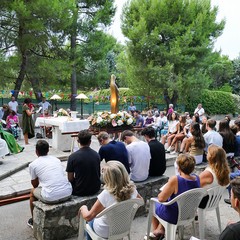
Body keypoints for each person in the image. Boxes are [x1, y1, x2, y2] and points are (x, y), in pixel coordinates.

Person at [79, 161, 142, 240]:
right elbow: (140, 201)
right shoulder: (133, 189)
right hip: (123, 227)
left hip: (105, 232)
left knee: (90, 222)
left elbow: (88, 217)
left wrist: (83, 208)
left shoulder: (106, 194)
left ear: (108, 178)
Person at [147, 154, 200, 239]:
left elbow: (161, 198)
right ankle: (160, 229)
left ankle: (157, 232)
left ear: (179, 167)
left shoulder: (176, 179)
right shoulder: (197, 178)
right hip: (189, 212)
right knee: (169, 201)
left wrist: (169, 184)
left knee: (153, 204)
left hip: (174, 215)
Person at [28, 140, 72, 228]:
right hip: (68, 192)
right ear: (48, 150)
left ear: (36, 152)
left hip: (51, 197)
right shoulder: (56, 160)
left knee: (32, 192)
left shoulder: (33, 165)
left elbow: (35, 185)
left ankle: (33, 220)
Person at [66, 129, 101, 196]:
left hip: (79, 190)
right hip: (95, 188)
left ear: (78, 141)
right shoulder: (96, 154)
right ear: (90, 142)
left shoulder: (72, 157)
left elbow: (70, 178)